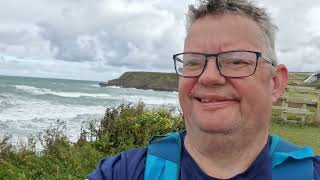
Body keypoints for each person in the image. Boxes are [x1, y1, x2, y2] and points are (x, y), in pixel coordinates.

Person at [87, 0, 320, 179]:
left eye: (236, 61)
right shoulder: (123, 172)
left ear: (276, 83)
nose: (208, 77)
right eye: (193, 62)